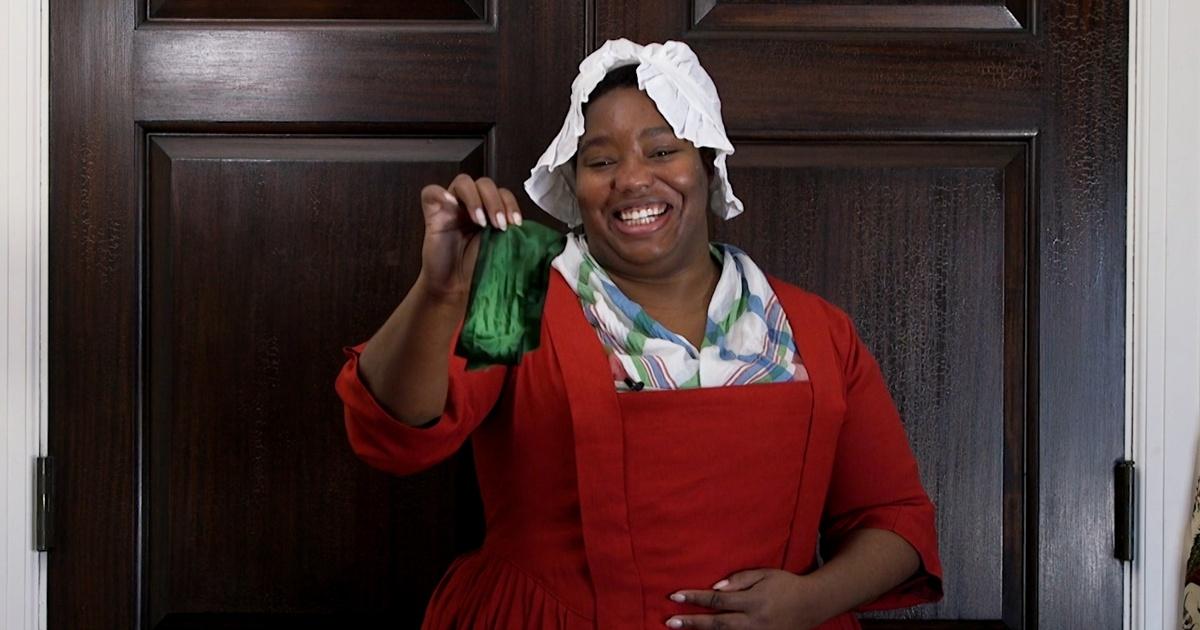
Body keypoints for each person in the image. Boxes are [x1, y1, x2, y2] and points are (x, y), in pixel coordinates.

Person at [336, 39, 942, 629]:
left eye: (661, 152)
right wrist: (439, 294)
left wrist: (810, 602)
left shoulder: (814, 329)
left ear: (709, 164)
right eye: (600, 161)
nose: (631, 179)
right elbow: (396, 434)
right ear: (573, 185)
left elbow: (895, 520)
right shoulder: (518, 281)